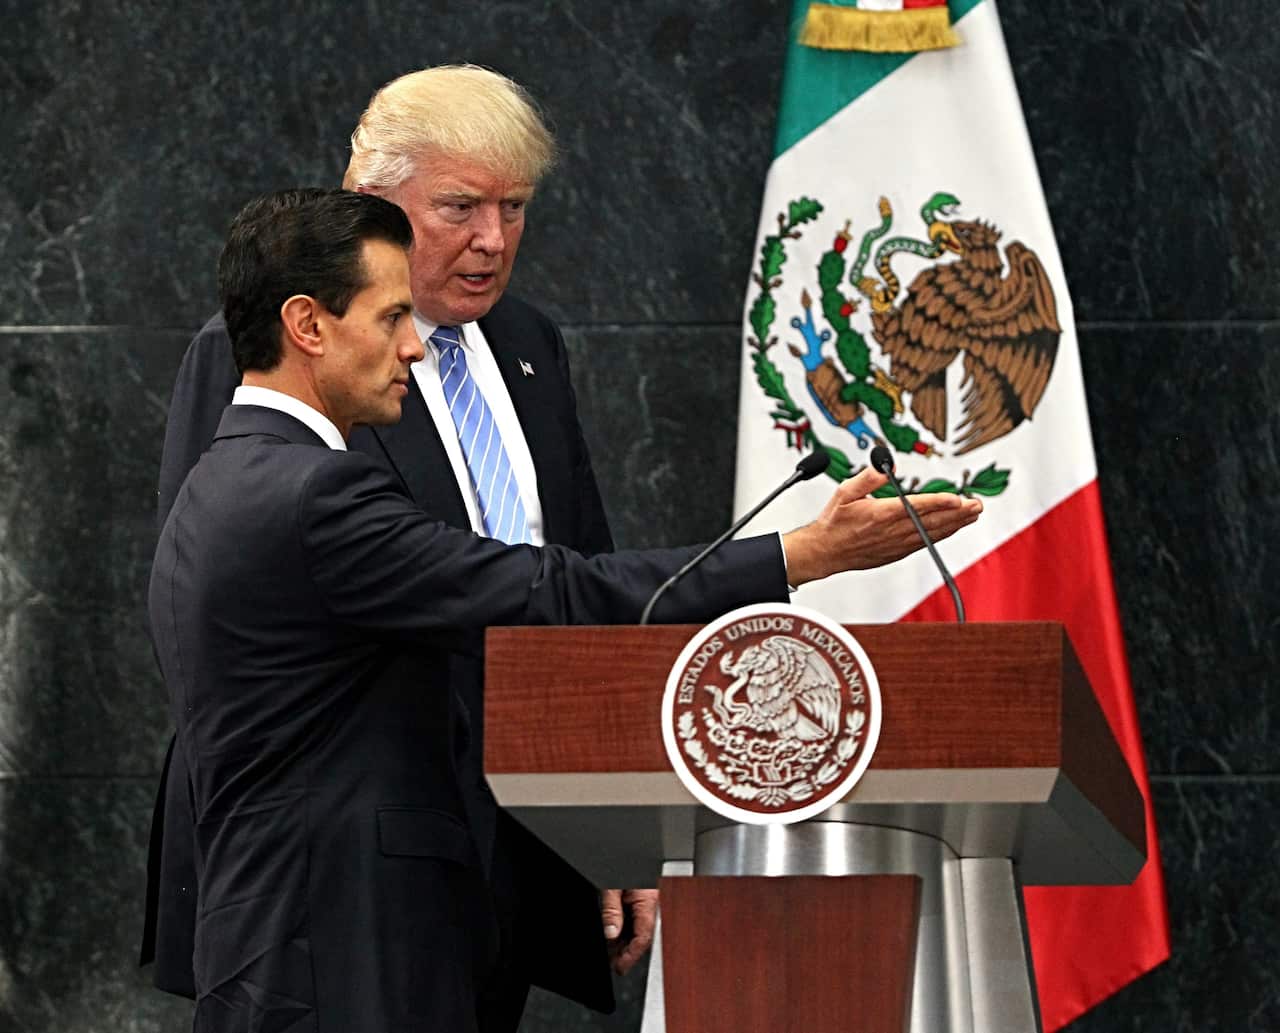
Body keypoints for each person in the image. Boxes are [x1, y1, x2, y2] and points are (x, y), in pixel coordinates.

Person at [150, 186, 980, 1033]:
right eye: (392, 316)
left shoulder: (222, 478)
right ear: (308, 325)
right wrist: (801, 553)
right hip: (344, 946)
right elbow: (544, 593)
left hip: (280, 936)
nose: (414, 347)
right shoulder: (316, 491)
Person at [142, 65, 634, 1020]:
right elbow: (217, 611)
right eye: (459, 206)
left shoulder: (532, 342)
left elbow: (577, 574)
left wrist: (611, 828)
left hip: (518, 844)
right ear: (371, 200)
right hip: (341, 869)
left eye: (515, 207)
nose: (492, 240)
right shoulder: (277, 358)